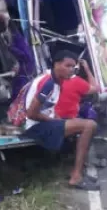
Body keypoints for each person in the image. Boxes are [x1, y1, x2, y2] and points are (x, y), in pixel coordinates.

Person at [24, 50, 99, 191]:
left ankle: (77, 171)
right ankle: (76, 177)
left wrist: (57, 119)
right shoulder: (48, 84)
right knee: (89, 125)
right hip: (35, 127)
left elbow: (48, 109)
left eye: (73, 67)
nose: (71, 70)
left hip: (44, 123)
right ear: (56, 64)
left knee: (87, 125)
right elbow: (31, 113)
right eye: (68, 66)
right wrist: (55, 121)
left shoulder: (58, 81)